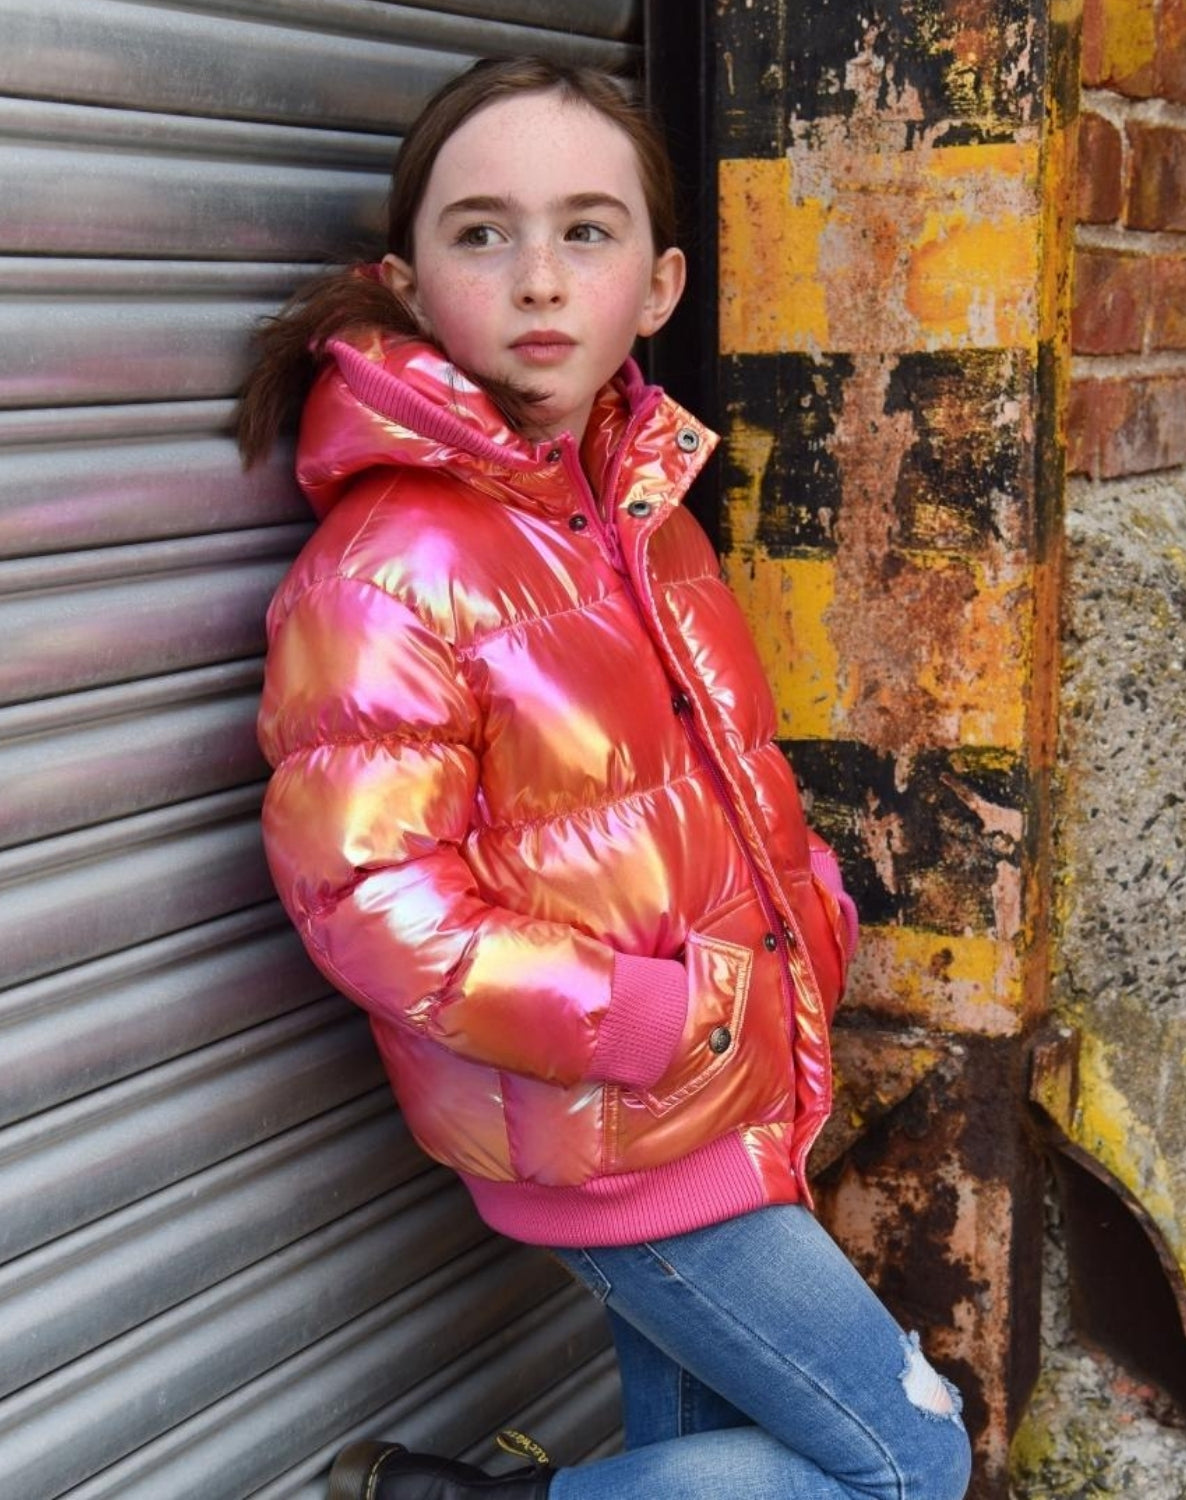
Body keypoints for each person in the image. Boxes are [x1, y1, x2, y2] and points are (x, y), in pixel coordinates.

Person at [239, 54, 973, 1500]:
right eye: (482, 233)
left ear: (658, 285)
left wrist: (806, 911)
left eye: (587, 230)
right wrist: (650, 1019)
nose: (537, 278)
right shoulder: (390, 570)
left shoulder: (645, 516)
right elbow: (367, 899)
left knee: (689, 1458)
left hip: (715, 1082)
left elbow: (714, 773)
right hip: (620, 1122)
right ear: (406, 285)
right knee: (907, 1464)